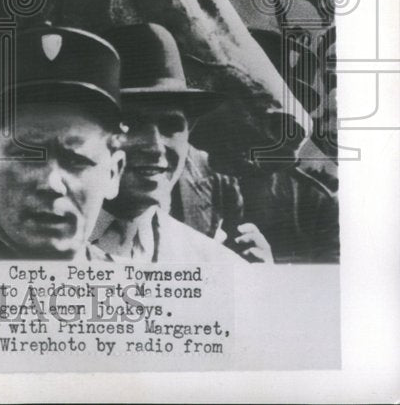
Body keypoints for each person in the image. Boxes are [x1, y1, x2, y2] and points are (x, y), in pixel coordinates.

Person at [0, 25, 126, 260]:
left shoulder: (132, 289)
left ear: (114, 173)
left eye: (75, 160)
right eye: (26, 156)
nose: (52, 184)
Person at [91, 23, 263, 263]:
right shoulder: (33, 247)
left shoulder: (211, 261)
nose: (155, 147)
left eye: (171, 126)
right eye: (131, 123)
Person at [209, 29, 339, 263]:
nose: (247, 121)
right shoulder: (183, 175)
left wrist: (271, 273)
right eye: (239, 104)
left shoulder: (313, 201)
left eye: (264, 109)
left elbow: (329, 288)